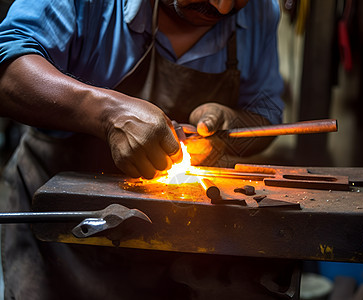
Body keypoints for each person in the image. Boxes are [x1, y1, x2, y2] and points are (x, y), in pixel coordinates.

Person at [0, 0, 296, 299]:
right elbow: (6, 73)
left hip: (174, 250)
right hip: (60, 234)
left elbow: (266, 114)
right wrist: (106, 113)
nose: (222, 7)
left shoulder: (259, 10)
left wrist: (232, 128)